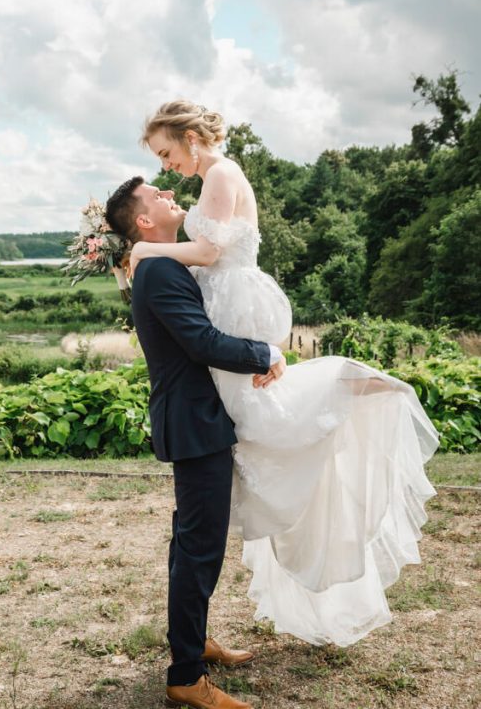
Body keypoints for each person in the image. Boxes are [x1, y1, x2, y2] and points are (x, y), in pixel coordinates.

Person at [128, 99, 439, 648]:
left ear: (190, 138)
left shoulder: (221, 172)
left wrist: (142, 251)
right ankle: (194, 633)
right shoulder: (207, 181)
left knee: (267, 410)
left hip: (235, 299)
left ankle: (346, 383)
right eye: (160, 159)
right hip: (221, 304)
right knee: (251, 422)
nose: (167, 166)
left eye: (167, 152)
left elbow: (204, 249)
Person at [105, 176, 286, 709]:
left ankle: (194, 640)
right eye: (158, 195)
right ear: (143, 222)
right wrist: (265, 352)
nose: (169, 195)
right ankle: (186, 675)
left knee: (192, 541)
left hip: (198, 417)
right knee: (200, 545)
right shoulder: (159, 270)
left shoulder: (165, 262)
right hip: (193, 421)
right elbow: (200, 342)